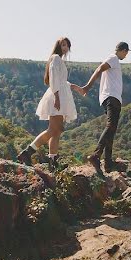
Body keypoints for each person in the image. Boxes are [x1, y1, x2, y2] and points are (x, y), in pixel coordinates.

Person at [17, 37, 83, 171]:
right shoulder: (56, 58)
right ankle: (27, 152)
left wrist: (74, 86)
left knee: (57, 131)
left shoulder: (59, 60)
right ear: (59, 46)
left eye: (67, 46)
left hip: (61, 95)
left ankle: (53, 161)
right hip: (56, 97)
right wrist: (57, 97)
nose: (65, 48)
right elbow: (53, 79)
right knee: (53, 130)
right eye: (63, 45)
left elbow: (61, 80)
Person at [81, 41, 130, 173]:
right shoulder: (113, 58)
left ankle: (108, 163)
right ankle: (96, 155)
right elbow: (99, 69)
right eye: (126, 53)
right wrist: (87, 86)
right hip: (111, 97)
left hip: (111, 98)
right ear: (123, 50)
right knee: (110, 126)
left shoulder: (114, 61)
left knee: (112, 129)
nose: (126, 55)